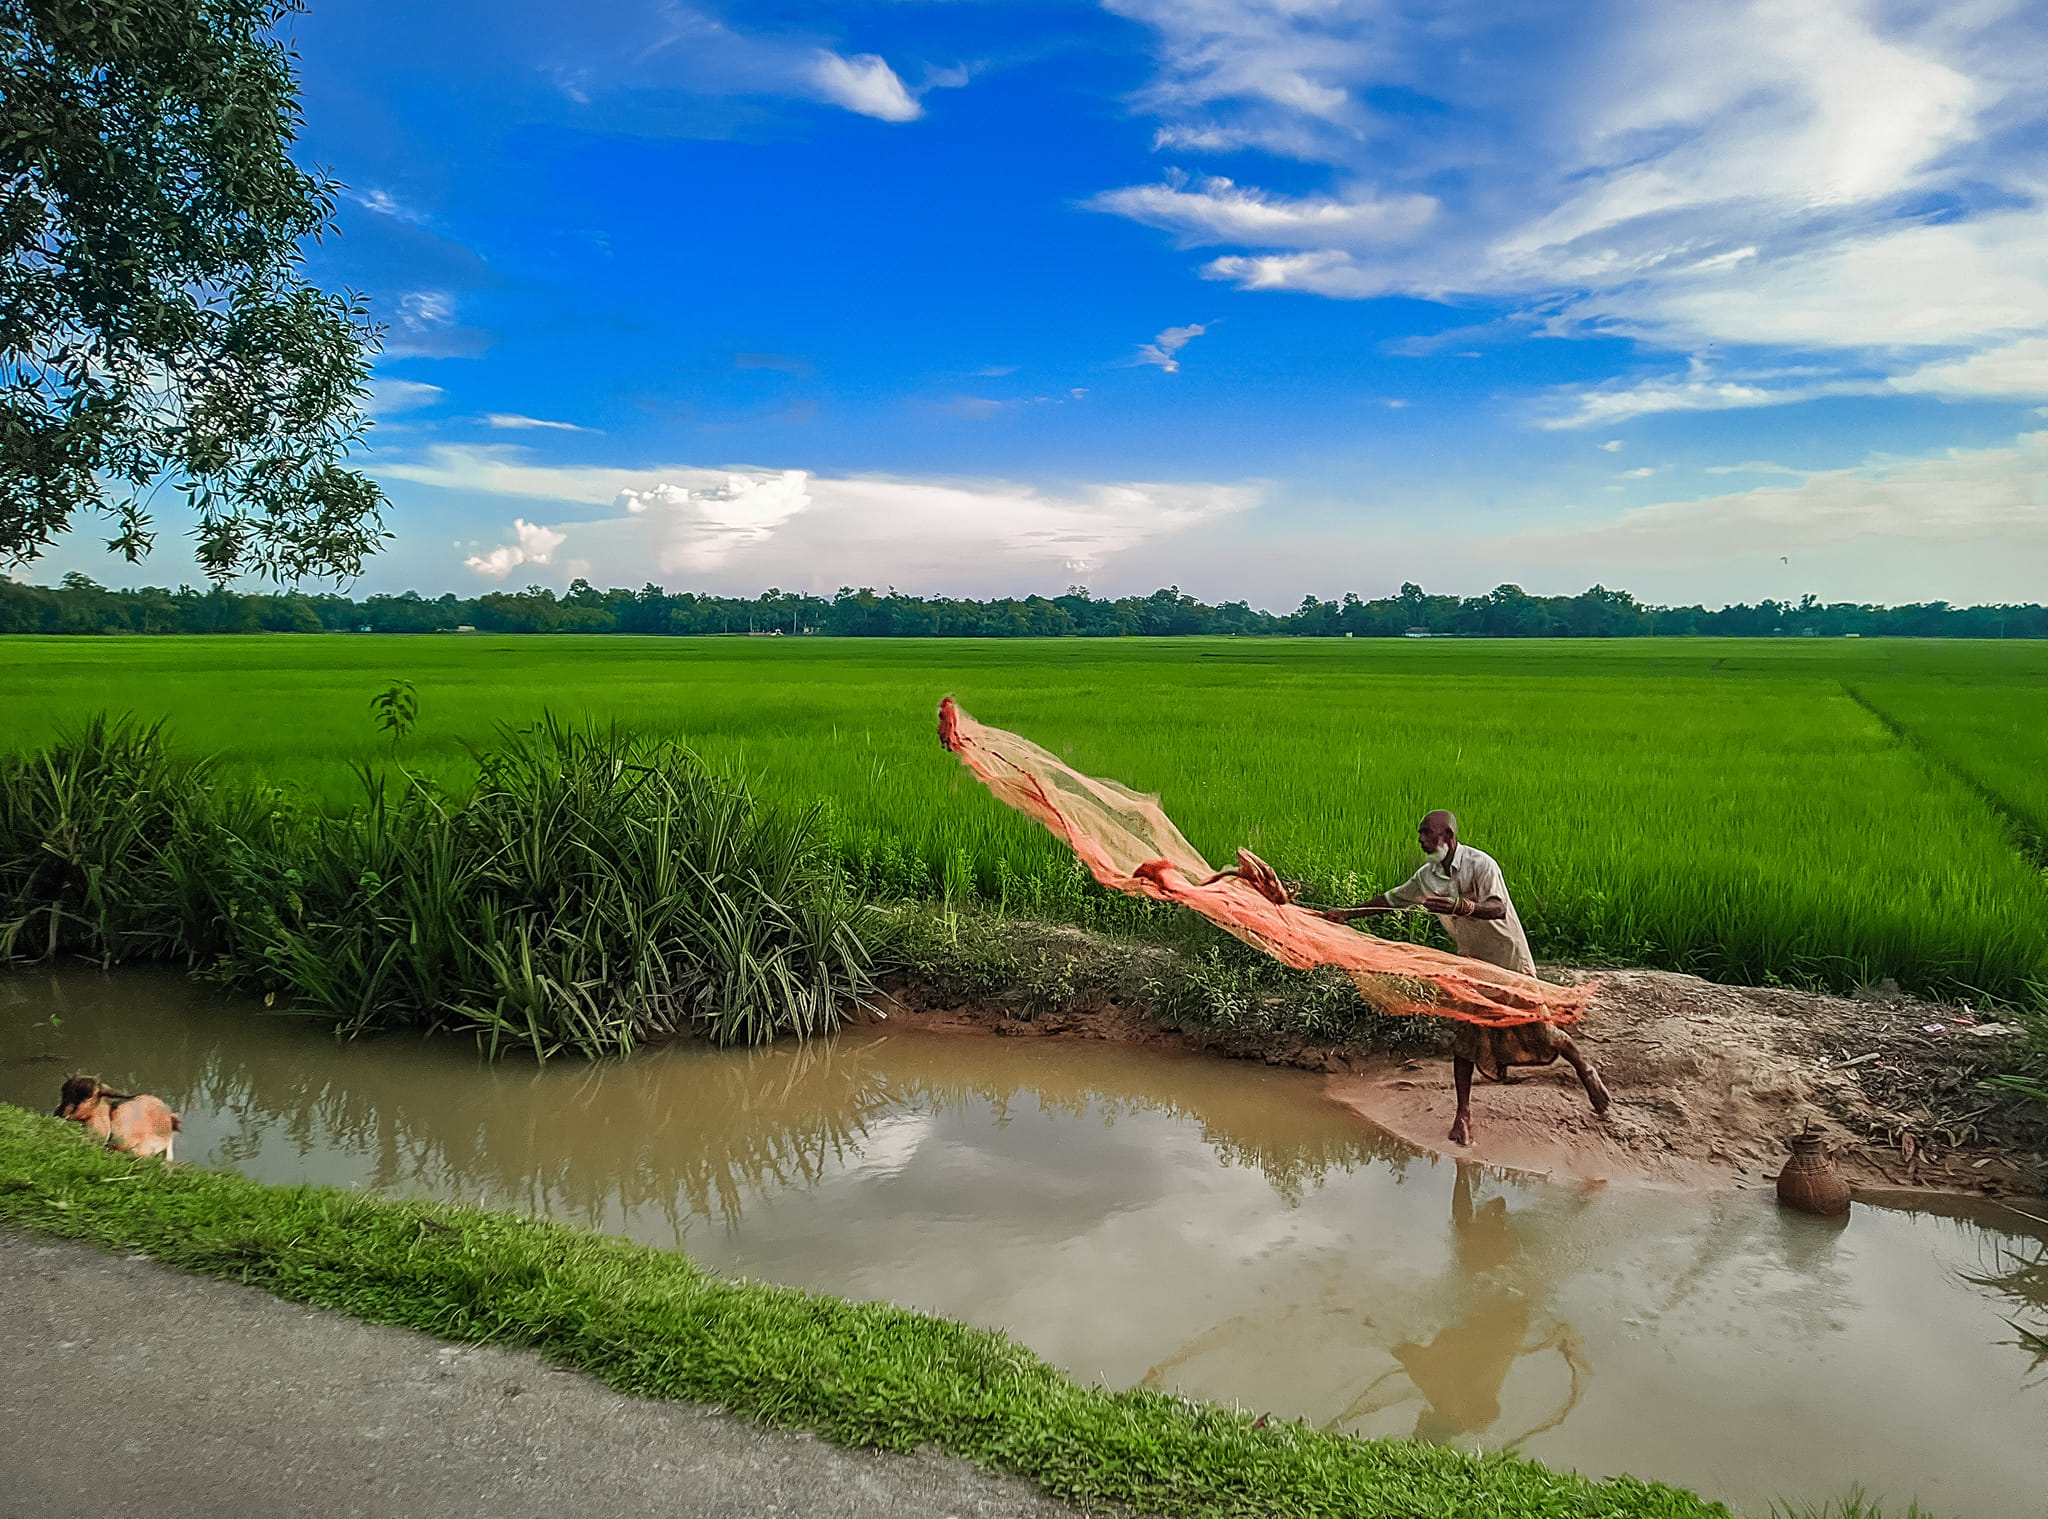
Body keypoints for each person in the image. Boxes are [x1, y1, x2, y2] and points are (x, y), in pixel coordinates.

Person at [1315, 810, 1610, 1145]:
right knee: (1465, 1034)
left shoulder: (1481, 865)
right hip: (1471, 962)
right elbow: (1392, 900)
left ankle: (1585, 1070)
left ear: (1449, 837)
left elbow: (1497, 908)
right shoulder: (1427, 876)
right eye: (1420, 834)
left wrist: (1459, 907)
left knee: (1539, 1027)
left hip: (1508, 958)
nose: (1421, 840)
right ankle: (1463, 1115)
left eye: (1428, 834)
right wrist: (1348, 914)